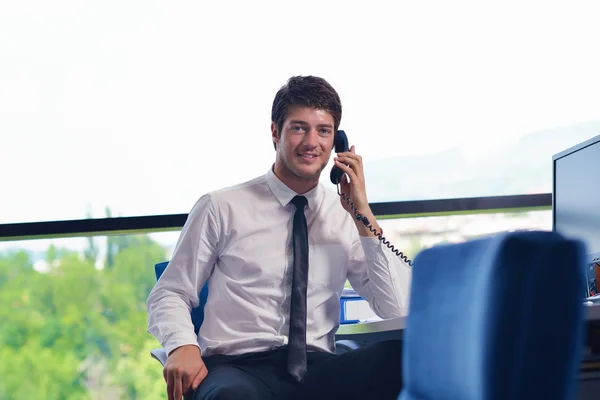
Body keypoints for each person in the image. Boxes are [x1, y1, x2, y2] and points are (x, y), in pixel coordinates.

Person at [146, 75, 412, 400]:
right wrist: (182, 346)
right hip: (236, 368)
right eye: (299, 128)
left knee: (399, 361)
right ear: (275, 132)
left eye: (323, 130)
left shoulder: (346, 216)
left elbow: (393, 307)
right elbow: (170, 292)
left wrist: (363, 214)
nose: (311, 141)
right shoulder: (221, 206)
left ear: (337, 142)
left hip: (317, 370)